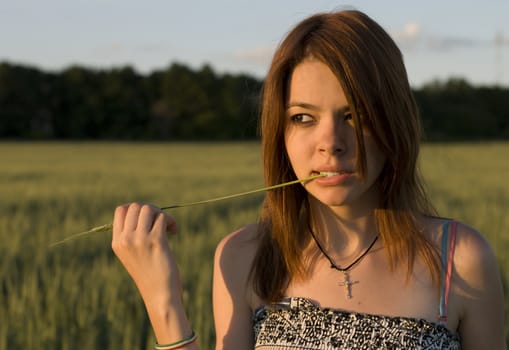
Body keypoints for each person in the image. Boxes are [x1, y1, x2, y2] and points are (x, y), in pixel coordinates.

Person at [111, 9, 506, 350]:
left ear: (394, 122)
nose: (331, 144)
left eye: (356, 116)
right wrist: (163, 301)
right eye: (303, 118)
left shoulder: (459, 259)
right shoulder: (245, 256)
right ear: (280, 134)